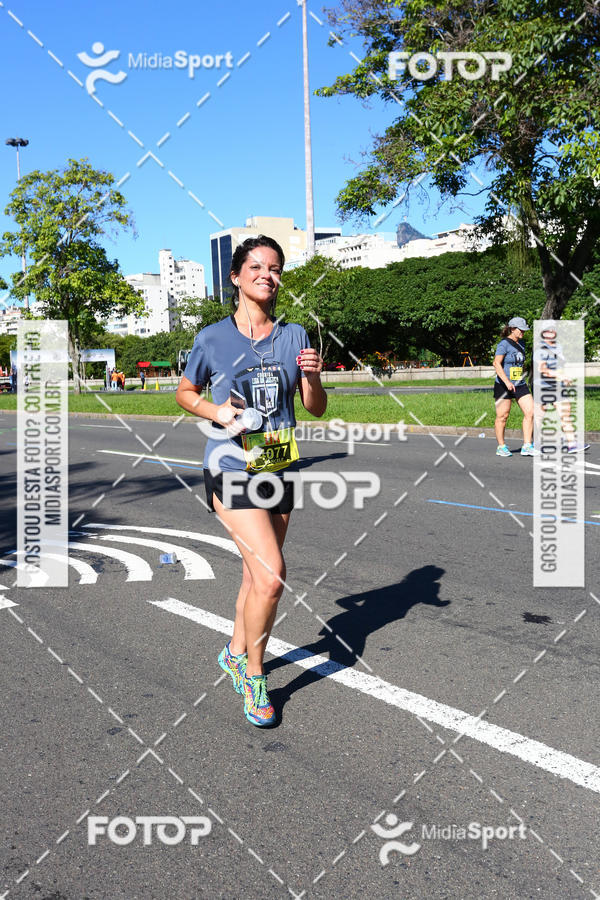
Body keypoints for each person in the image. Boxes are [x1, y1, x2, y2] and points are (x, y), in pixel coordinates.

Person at [175, 235, 326, 727]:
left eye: (276, 268)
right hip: (230, 464)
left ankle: (235, 652)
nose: (268, 274)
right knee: (273, 573)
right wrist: (214, 411)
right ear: (236, 276)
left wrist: (315, 377)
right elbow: (184, 391)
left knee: (255, 576)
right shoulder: (213, 338)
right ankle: (255, 676)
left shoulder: (295, 335)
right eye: (257, 266)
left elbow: (313, 407)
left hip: (278, 461)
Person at [534, 321, 589, 453]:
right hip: (543, 387)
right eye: (548, 330)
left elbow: (559, 366)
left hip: (558, 386)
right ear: (543, 333)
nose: (551, 332)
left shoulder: (558, 347)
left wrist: (564, 377)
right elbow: (542, 369)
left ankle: (572, 444)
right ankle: (534, 444)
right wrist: (561, 376)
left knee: (566, 414)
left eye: (553, 329)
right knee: (539, 417)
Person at [493, 316, 539, 457]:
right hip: (503, 385)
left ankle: (527, 445)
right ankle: (501, 446)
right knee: (503, 416)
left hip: (519, 384)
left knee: (530, 412)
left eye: (524, 330)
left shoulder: (522, 344)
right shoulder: (503, 344)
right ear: (512, 329)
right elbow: (496, 363)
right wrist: (507, 381)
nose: (523, 333)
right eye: (521, 330)